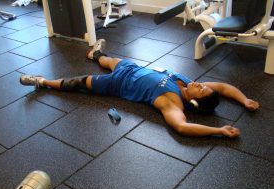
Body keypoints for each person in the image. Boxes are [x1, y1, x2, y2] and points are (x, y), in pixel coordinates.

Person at [20, 39, 259, 138]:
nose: (199, 84)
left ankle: (41, 81)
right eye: (202, 86)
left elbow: (181, 126)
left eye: (201, 90)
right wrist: (245, 100)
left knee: (78, 83)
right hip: (131, 68)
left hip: (118, 84)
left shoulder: (172, 102)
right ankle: (96, 53)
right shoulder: (189, 84)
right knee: (107, 60)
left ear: (195, 103)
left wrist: (217, 131)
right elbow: (225, 88)